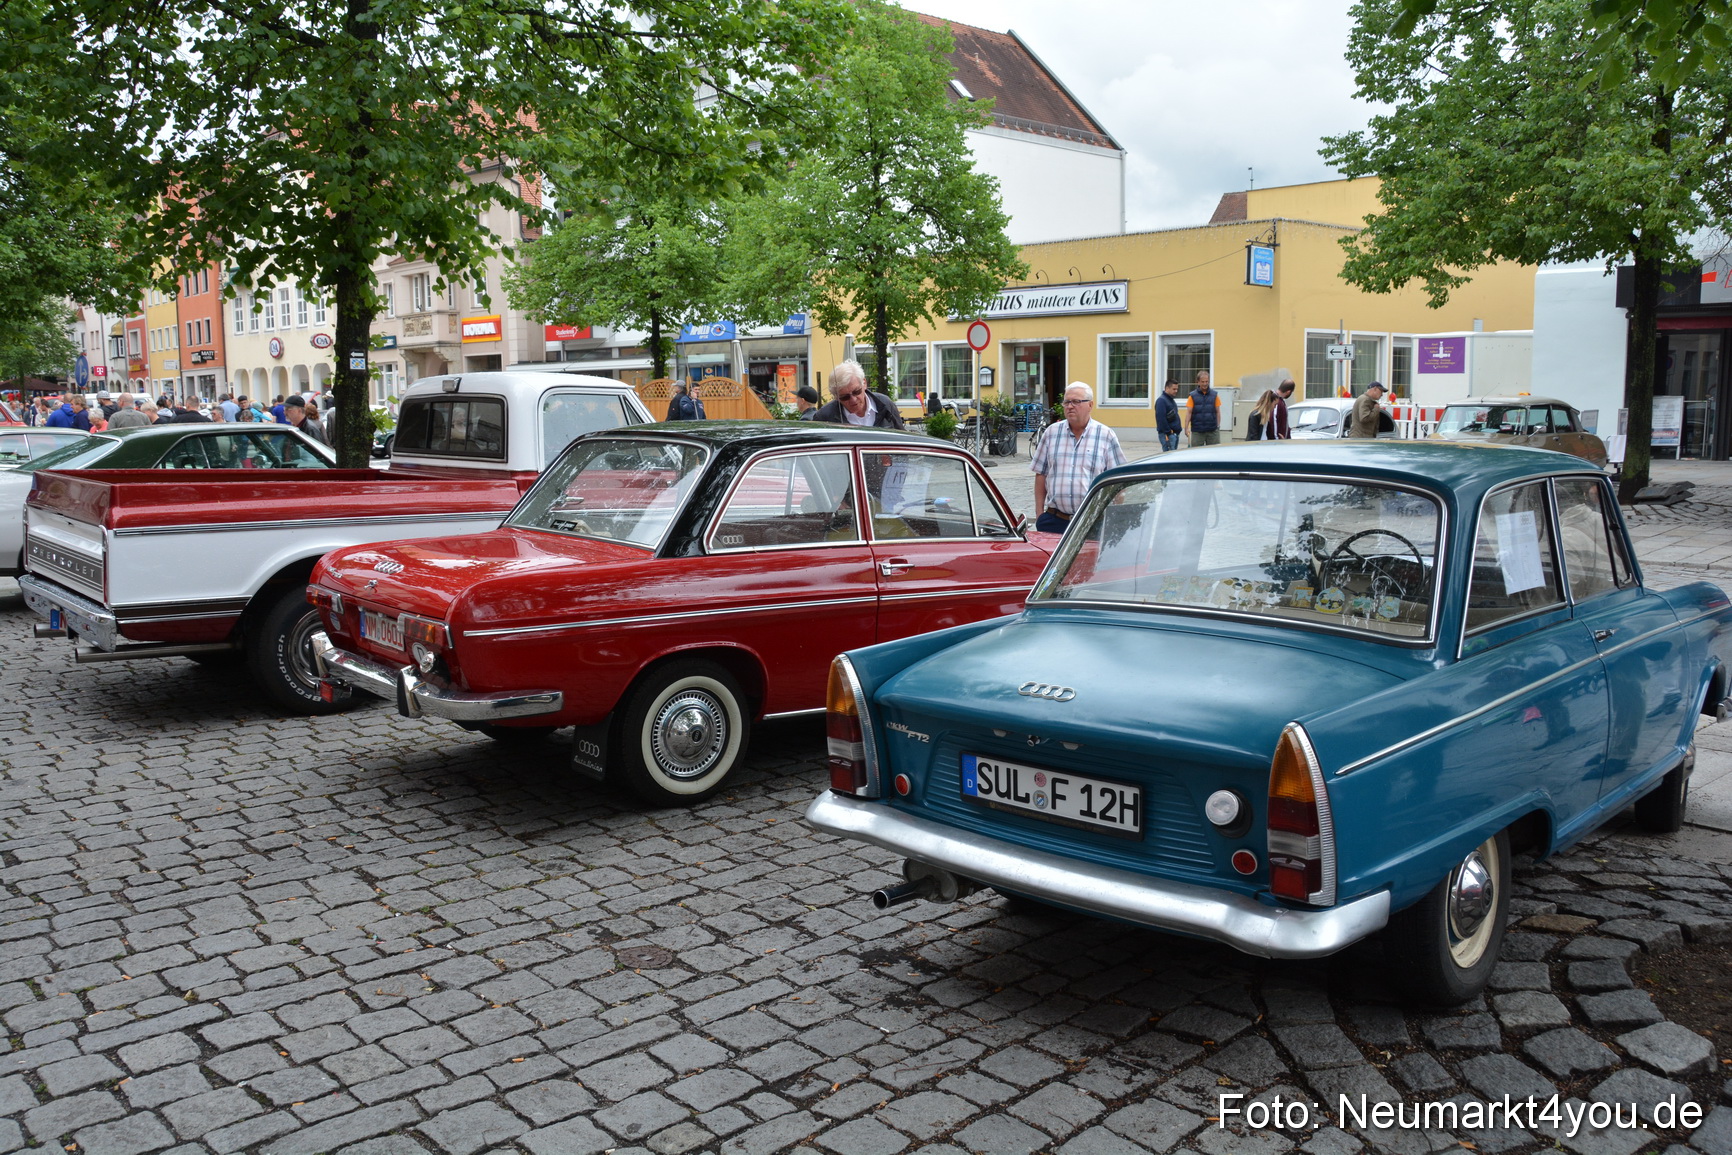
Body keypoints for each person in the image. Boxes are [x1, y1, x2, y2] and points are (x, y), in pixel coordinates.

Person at [1030, 382, 1126, 534]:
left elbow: (1119, 481)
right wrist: (1039, 514)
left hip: (1092, 521)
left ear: (1090, 405)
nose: (1070, 406)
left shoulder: (1105, 435)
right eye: (1067, 402)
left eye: (1076, 401)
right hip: (1055, 521)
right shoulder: (1051, 433)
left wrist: (1114, 517)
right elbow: (1041, 474)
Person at [812, 360, 906, 428]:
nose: (853, 399)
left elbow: (903, 442)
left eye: (856, 392)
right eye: (845, 397)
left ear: (864, 383)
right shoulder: (824, 417)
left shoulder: (885, 404)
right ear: (836, 397)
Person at [1183, 370, 1221, 447]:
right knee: (1196, 454)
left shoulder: (1215, 395)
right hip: (1197, 431)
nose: (1205, 384)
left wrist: (1217, 427)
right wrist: (1186, 428)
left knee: (1214, 453)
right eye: (1202, 382)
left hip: (1212, 431)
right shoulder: (1192, 396)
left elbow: (1218, 412)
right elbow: (1189, 413)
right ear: (1198, 382)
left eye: (1207, 381)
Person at [1154, 380, 1182, 453]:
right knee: (1169, 456)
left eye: (1177, 389)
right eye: (1174, 389)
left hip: (1173, 434)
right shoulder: (1161, 401)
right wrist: (1169, 433)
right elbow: (1161, 419)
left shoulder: (1170, 400)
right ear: (1167, 388)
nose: (1176, 391)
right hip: (1167, 436)